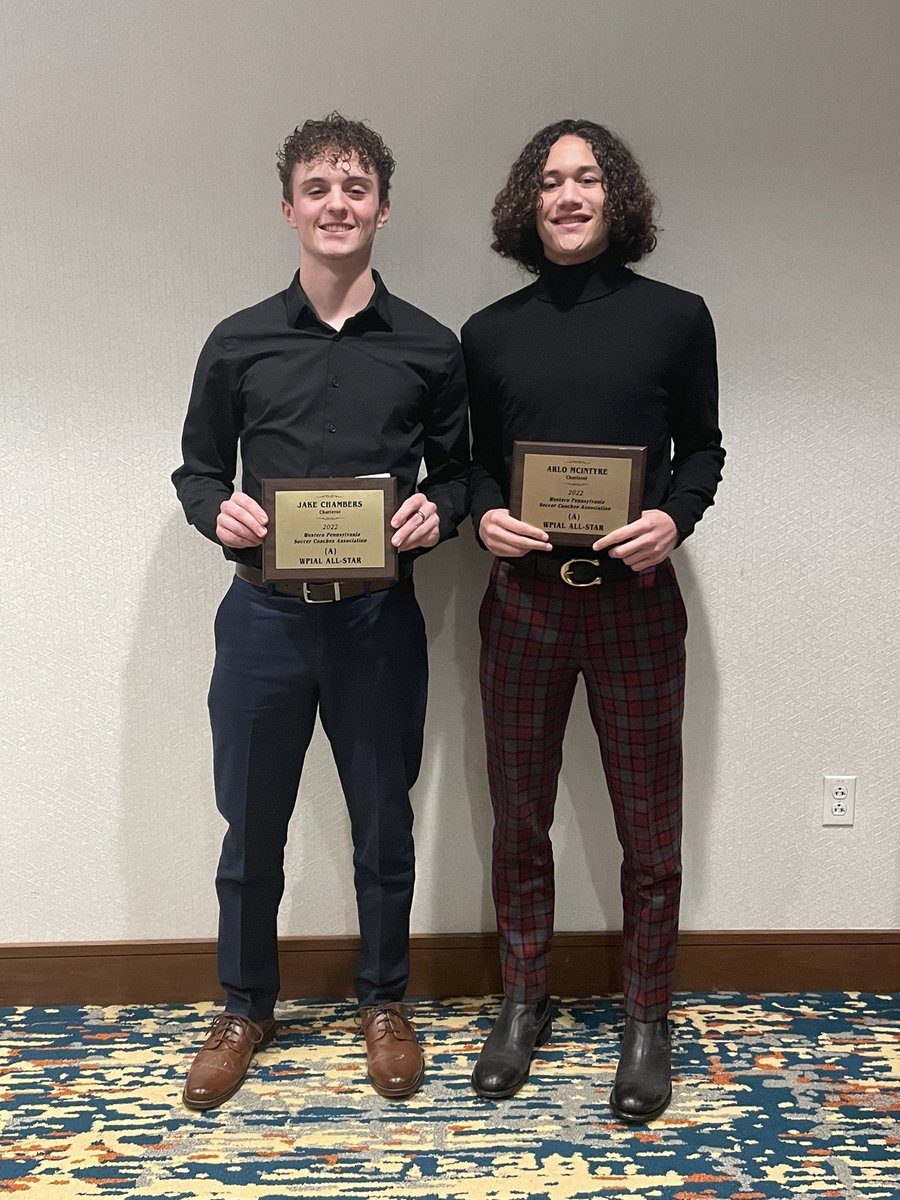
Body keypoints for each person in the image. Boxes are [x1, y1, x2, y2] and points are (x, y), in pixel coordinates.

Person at [172, 112, 469, 1109]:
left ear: (382, 205)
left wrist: (444, 507)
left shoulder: (431, 346)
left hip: (379, 624)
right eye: (317, 189)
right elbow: (198, 468)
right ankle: (244, 1007)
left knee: (385, 822)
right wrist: (222, 509)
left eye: (355, 189)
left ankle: (384, 1002)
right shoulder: (238, 340)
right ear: (290, 207)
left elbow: (465, 472)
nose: (336, 205)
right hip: (264, 622)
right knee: (249, 830)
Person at [462, 119, 724, 1122]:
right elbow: (477, 461)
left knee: (647, 830)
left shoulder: (676, 317)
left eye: (586, 179)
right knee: (520, 819)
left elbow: (702, 448)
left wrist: (674, 516)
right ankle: (523, 1001)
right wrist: (484, 508)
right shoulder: (489, 332)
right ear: (529, 205)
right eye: (550, 182)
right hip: (524, 605)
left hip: (637, 607)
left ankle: (645, 1018)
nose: (568, 196)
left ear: (617, 198)